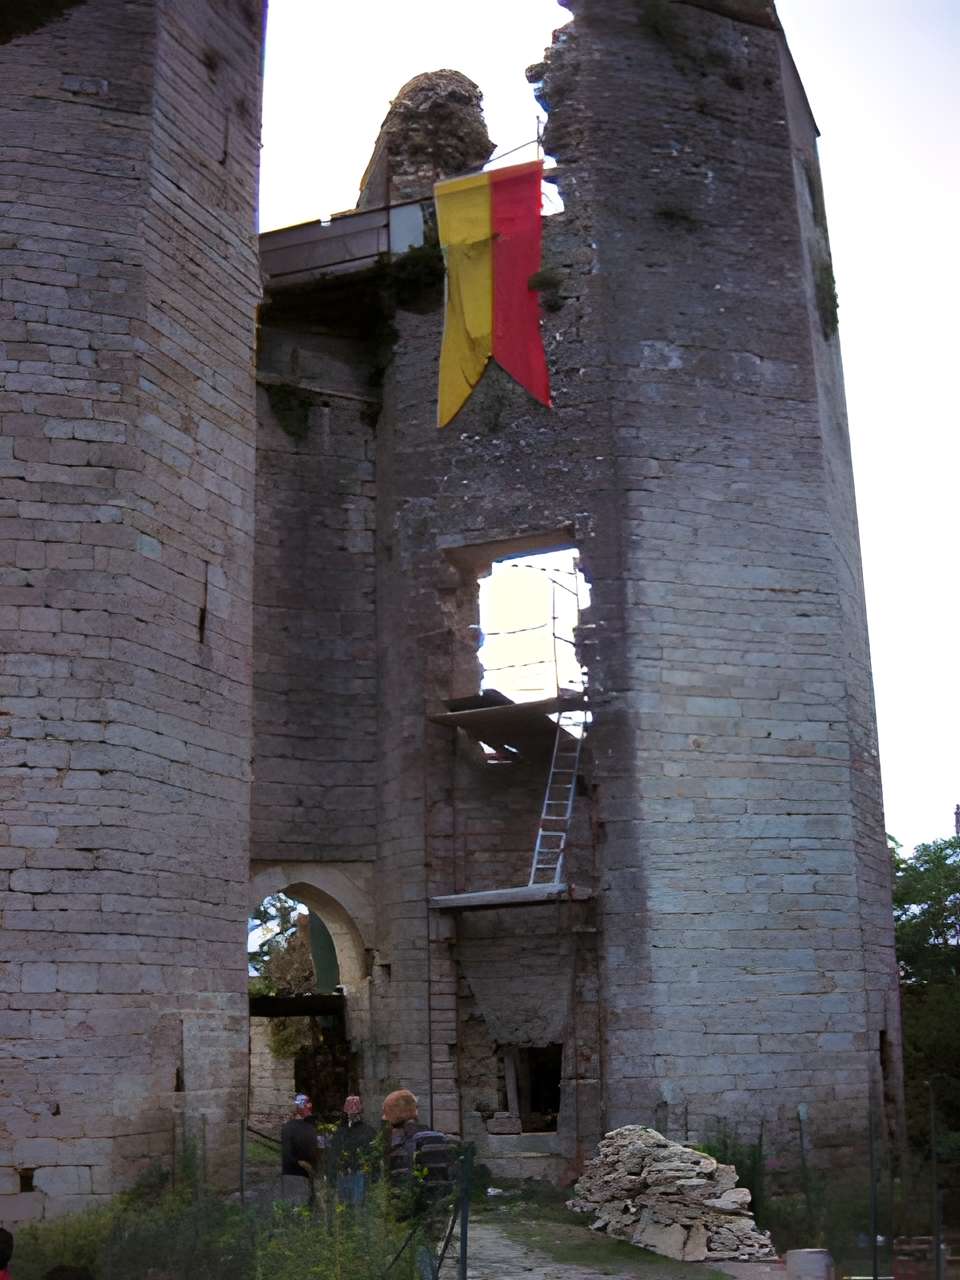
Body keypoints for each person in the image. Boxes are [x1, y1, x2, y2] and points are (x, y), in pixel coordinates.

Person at [327, 1094, 377, 1205]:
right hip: (348, 1174)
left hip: (357, 1174)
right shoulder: (343, 1132)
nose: (351, 1114)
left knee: (351, 1208)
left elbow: (374, 1155)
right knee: (349, 1208)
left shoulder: (343, 1132)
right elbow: (334, 1154)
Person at [280, 1092, 320, 1205]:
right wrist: (304, 1165)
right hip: (295, 1175)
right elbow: (287, 1154)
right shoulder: (291, 1127)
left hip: (303, 1175)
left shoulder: (309, 1127)